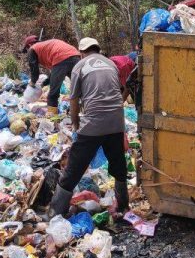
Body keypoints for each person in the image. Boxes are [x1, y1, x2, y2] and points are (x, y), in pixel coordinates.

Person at [48, 37, 129, 217]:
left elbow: (74, 99)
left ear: (82, 53)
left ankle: (55, 212)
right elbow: (119, 90)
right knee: (118, 164)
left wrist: (76, 124)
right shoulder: (111, 64)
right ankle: (123, 205)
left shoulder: (80, 66)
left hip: (93, 124)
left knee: (74, 167)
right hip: (116, 122)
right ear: (98, 49)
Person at [22, 36, 80, 115]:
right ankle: (83, 112)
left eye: (26, 50)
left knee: (52, 95)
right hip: (76, 56)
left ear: (29, 45)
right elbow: (54, 74)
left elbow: (34, 71)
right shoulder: (45, 47)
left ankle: (53, 118)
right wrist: (44, 83)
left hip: (61, 58)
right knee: (79, 88)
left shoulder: (32, 49)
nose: (27, 52)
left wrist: (32, 83)